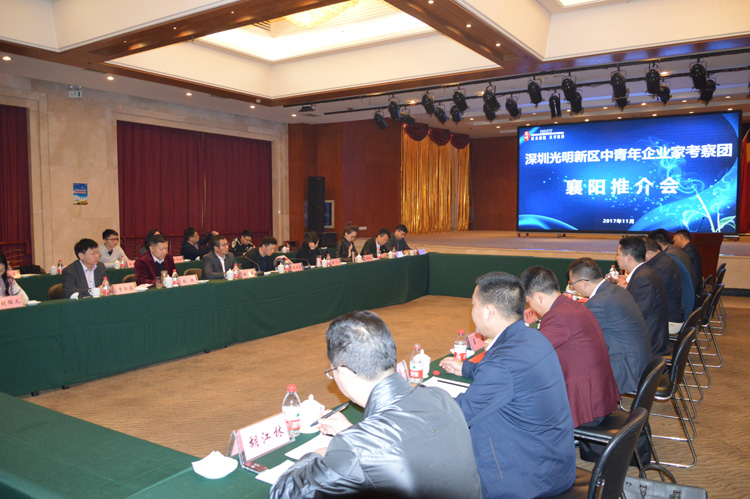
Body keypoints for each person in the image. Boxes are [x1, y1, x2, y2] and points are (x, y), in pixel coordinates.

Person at [271, 311, 481, 499]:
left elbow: (284, 493)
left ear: (344, 372)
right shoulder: (440, 396)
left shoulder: (355, 448)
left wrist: (319, 454)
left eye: (332, 372)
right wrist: (353, 433)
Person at [439, 272, 575, 499]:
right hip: (554, 464)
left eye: (473, 305)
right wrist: (466, 368)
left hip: (525, 480)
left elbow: (458, 415)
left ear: (489, 312)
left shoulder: (502, 364)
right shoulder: (533, 338)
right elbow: (508, 376)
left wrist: (417, 397)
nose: (471, 312)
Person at [520, 266, 620, 427]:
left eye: (529, 302)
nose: (530, 307)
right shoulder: (570, 305)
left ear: (538, 296)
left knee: (522, 411)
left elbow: (529, 354)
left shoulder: (557, 316)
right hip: (599, 397)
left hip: (587, 407)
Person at [568, 257, 652, 394]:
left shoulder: (598, 303)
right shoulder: (616, 290)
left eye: (572, 284)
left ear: (583, 283)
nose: (573, 287)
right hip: (640, 361)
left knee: (573, 366)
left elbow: (576, 335)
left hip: (627, 368)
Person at [616, 236, 670, 357]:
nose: (616, 258)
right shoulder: (644, 272)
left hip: (649, 342)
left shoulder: (643, 279)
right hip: (650, 333)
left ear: (628, 258)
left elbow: (636, 317)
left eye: (618, 254)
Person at [643, 237, 687, 331]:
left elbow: (650, 297)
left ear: (649, 253)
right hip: (667, 314)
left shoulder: (661, 267)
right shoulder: (662, 260)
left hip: (669, 320)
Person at [673, 228, 704, 294]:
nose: (674, 243)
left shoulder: (689, 250)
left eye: (675, 240)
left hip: (693, 286)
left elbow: (678, 266)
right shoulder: (690, 247)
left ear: (681, 237)